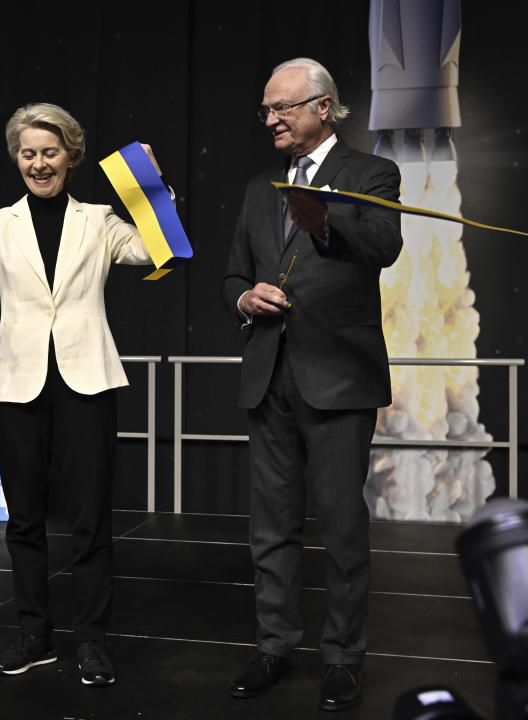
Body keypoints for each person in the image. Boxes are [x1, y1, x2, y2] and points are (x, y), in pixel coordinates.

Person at [0, 102, 164, 687]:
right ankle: (33, 633)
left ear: (72, 156)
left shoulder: (101, 219)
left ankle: (92, 640)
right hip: (18, 383)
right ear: (16, 159)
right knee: (25, 520)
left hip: (87, 379)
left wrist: (154, 190)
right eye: (28, 153)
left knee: (90, 520)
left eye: (50, 151)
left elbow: (156, 250)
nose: (39, 163)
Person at [221, 58, 402, 712]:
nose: (270, 119)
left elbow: (384, 245)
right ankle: (274, 648)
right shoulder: (257, 186)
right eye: (267, 110)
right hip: (269, 379)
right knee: (269, 529)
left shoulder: (372, 173)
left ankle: (343, 659)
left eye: (283, 108)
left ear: (323, 107)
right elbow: (231, 276)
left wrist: (324, 220)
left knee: (342, 528)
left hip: (339, 380)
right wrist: (245, 299)